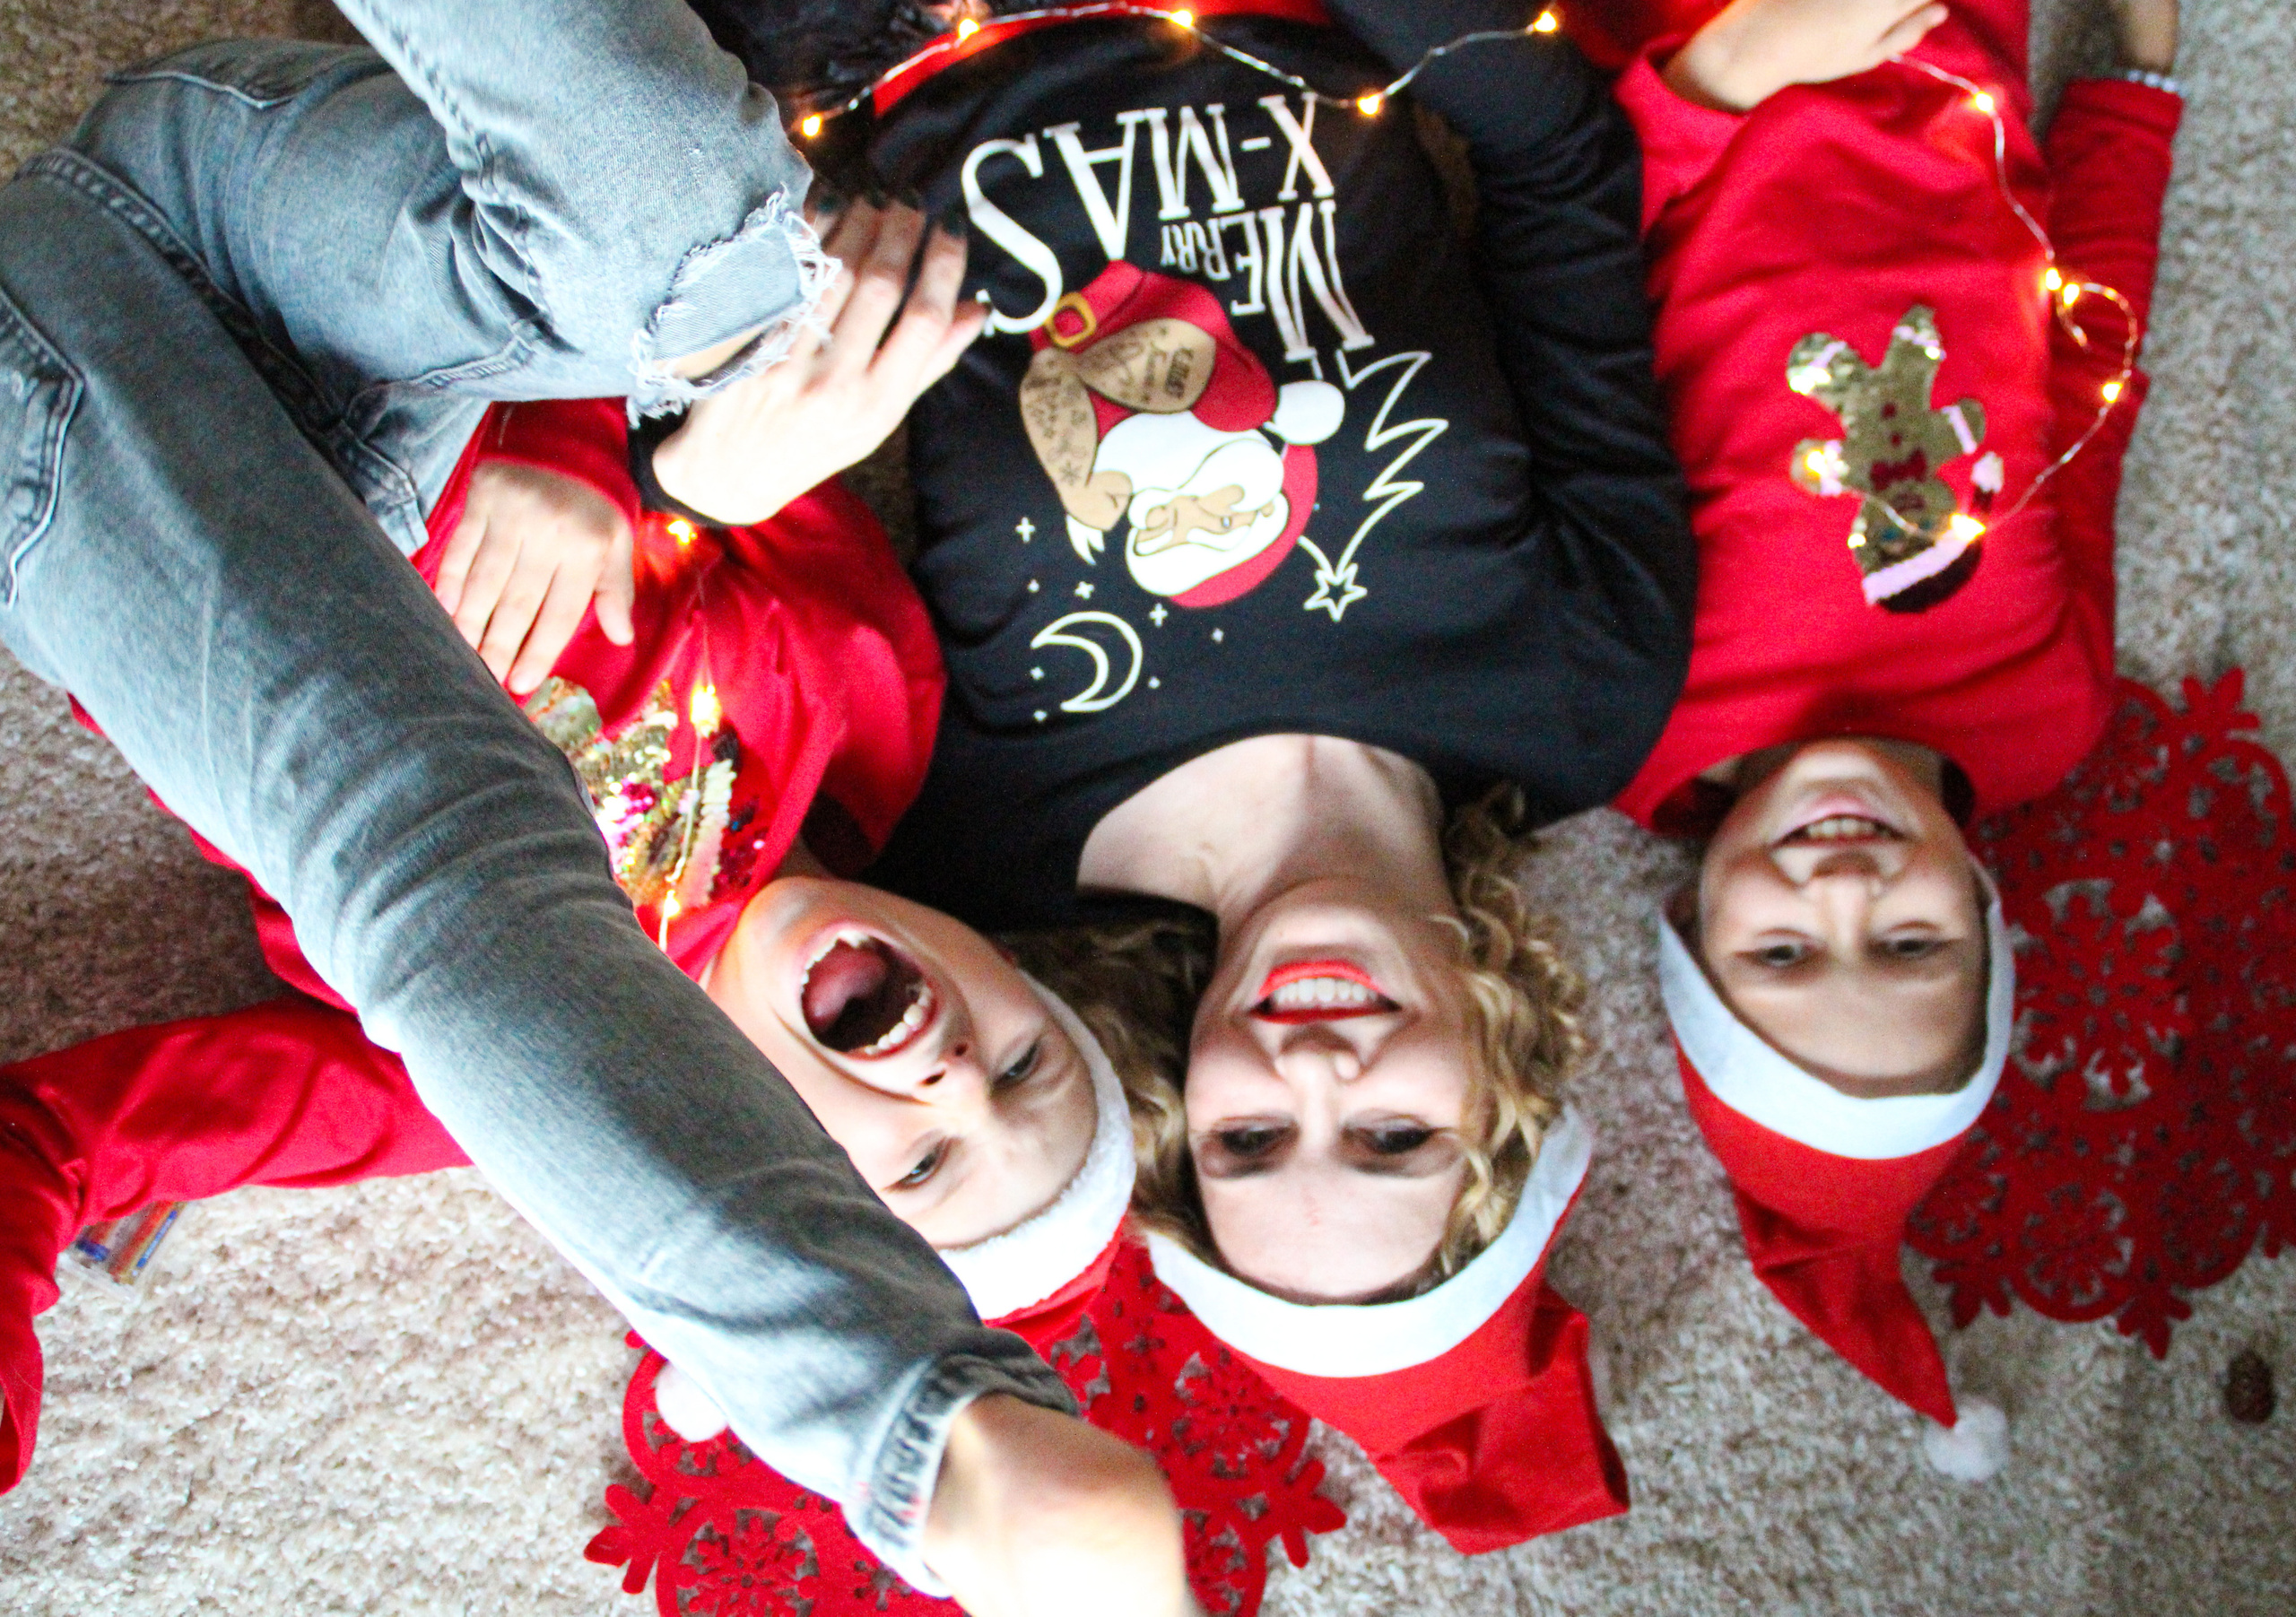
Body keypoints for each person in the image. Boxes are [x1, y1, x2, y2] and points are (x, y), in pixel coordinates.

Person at [0, 4, 1189, 1608]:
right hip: (291, 246)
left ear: (747, 1173)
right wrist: (633, 473)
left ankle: (925, 1439)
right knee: (719, 253)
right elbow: (688, 370)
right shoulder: (870, 705)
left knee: (442, 853)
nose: (956, 1078)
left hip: (80, 437)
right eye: (1029, 1064)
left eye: (913, 1169)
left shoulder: (475, 1091)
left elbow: (59, 1140)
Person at [675, 0, 1690, 1547]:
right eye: (1395, 1137)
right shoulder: (1586, 702)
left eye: (1250, 1142)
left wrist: (686, 468)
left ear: (1175, 1120)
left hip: (864, 58)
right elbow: (1556, 175)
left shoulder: (976, 870)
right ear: (1507, 1094)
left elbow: (680, 687)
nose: (1313, 1074)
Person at [1582, 0, 2180, 1463]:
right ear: (1985, 914)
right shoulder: (2042, 709)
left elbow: (1557, 318)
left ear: (1693, 927)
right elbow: (2095, 370)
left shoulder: (1626, 724)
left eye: (1781, 955)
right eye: (1911, 944)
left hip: (1697, 63)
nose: (1844, 889)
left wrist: (1729, 79)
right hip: (1947, 44)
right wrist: (2141, 84)